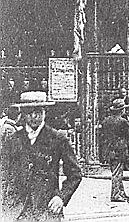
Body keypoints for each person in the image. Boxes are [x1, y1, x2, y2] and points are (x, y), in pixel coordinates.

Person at [1, 91, 82, 221]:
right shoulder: (14, 139)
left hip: (47, 209)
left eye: (38, 111)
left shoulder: (58, 138)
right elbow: (4, 173)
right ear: (23, 113)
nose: (34, 116)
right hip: (18, 212)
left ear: (45, 111)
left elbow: (75, 173)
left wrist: (61, 197)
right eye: (29, 112)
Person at [101, 98, 129, 202]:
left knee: (116, 171)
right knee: (117, 173)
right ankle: (115, 195)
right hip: (119, 149)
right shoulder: (123, 122)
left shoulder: (106, 121)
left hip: (109, 149)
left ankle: (121, 193)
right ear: (121, 110)